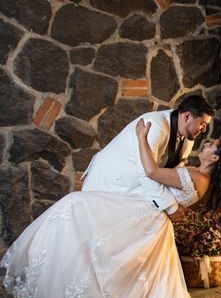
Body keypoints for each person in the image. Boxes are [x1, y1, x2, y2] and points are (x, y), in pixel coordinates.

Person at [0, 117, 221, 298]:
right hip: (148, 214)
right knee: (119, 263)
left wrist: (141, 138)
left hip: (145, 215)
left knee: (77, 206)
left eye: (211, 145)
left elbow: (151, 171)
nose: (205, 144)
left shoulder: (197, 177)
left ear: (215, 158)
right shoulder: (199, 175)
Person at [82, 94, 214, 221]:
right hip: (109, 183)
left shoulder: (189, 136)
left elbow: (175, 171)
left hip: (137, 192)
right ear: (187, 116)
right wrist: (171, 207)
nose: (203, 130)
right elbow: (145, 172)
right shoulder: (154, 125)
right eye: (202, 123)